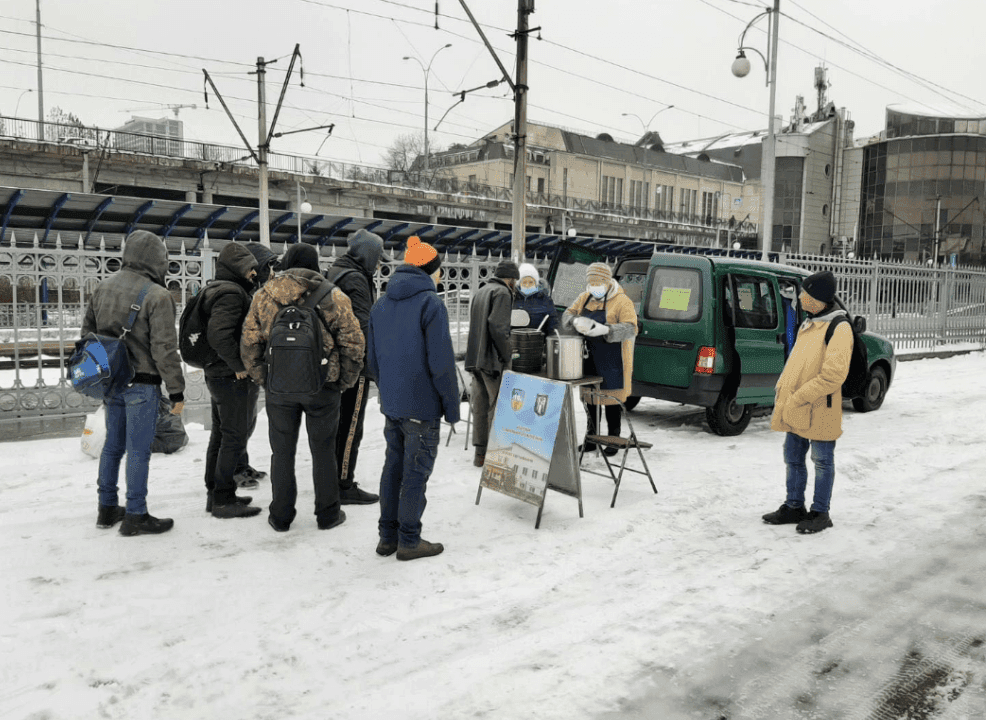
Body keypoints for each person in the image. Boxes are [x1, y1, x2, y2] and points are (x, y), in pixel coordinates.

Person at [240, 243, 364, 532]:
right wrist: (343, 381)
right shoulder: (333, 295)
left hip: (279, 388)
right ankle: (328, 514)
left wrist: (264, 378)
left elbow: (249, 343)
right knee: (324, 450)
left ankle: (280, 516)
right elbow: (354, 343)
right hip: (322, 385)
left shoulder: (263, 295)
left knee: (281, 452)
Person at [82, 229, 185, 536]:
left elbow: (87, 335)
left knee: (113, 446)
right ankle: (136, 514)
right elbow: (164, 349)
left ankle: (106, 508)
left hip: (112, 381)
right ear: (156, 259)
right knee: (138, 450)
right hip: (142, 384)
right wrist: (176, 390)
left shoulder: (103, 287)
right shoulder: (157, 295)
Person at [367, 236, 460, 560]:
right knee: (415, 474)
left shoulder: (380, 304)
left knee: (392, 468)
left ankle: (387, 537)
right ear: (430, 270)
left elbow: (372, 361)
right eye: (439, 270)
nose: (441, 275)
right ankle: (408, 540)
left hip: (393, 405)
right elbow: (442, 364)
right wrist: (451, 407)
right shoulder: (431, 304)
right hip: (422, 407)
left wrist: (389, 392)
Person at [762, 270, 852, 535]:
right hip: (797, 405)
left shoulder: (839, 328)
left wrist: (799, 397)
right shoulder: (809, 323)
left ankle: (820, 513)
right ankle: (794, 506)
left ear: (817, 298)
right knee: (793, 457)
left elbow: (832, 376)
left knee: (822, 461)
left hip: (820, 407)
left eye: (804, 293)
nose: (800, 297)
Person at [324, 228, 391, 506]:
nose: (379, 263)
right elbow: (363, 326)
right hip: (353, 365)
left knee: (338, 425)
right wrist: (374, 367)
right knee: (351, 426)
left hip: (334, 361)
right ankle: (343, 484)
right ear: (367, 254)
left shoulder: (337, 271)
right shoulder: (355, 278)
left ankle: (332, 479)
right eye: (378, 257)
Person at [199, 242, 262, 519]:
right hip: (230, 376)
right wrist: (238, 365)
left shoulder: (215, 289)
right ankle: (223, 499)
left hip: (217, 373)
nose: (253, 273)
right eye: (249, 268)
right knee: (234, 436)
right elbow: (219, 334)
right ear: (236, 268)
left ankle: (215, 494)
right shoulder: (231, 294)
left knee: (221, 435)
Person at [561, 262, 638, 456]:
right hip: (589, 357)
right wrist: (574, 320)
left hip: (613, 359)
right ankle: (591, 439)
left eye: (598, 283)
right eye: (591, 283)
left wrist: (606, 330)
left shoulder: (622, 301)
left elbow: (631, 328)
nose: (595, 287)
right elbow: (567, 314)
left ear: (607, 281)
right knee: (590, 399)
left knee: (612, 400)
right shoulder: (584, 298)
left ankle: (614, 439)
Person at [231, 242, 281, 490]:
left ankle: (242, 463)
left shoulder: (253, 292)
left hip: (248, 366)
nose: (272, 272)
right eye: (268, 266)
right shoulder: (242, 294)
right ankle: (234, 470)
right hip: (239, 369)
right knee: (238, 424)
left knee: (247, 420)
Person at [464, 259, 519, 468]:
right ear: (511, 279)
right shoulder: (503, 292)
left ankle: (480, 454)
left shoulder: (482, 290)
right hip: (492, 361)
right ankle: (497, 457)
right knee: (498, 408)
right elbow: (498, 327)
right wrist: (507, 354)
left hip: (476, 359)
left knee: (480, 406)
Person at [513, 263, 559, 336]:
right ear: (519, 284)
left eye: (531, 282)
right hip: (515, 340)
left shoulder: (545, 300)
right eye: (524, 282)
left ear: (536, 283)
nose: (527, 285)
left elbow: (553, 324)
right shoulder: (512, 299)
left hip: (538, 340)